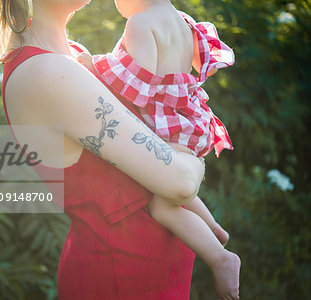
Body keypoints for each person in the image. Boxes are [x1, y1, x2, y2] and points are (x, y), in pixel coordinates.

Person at [0, 0, 236, 299]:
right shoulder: (47, 72)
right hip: (119, 280)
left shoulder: (71, 57)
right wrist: (193, 148)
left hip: (148, 277)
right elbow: (181, 183)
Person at [77, 0, 241, 298]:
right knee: (172, 191)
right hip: (188, 120)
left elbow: (135, 86)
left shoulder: (139, 24)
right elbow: (193, 68)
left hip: (168, 126)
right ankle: (213, 228)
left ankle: (221, 258)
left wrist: (92, 68)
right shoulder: (181, 20)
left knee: (161, 206)